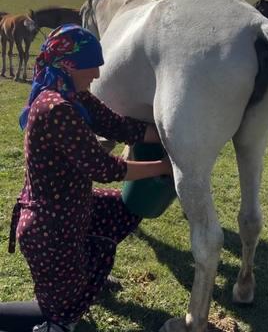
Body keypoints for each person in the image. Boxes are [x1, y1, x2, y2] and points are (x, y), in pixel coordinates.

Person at [1, 24, 172, 332]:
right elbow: (104, 168)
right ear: (69, 64)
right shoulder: (56, 108)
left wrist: (170, 138)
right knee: (63, 318)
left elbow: (119, 126)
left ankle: (85, 278)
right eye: (92, 65)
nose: (96, 74)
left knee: (122, 210)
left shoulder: (75, 95)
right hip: (51, 229)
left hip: (72, 209)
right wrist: (163, 166)